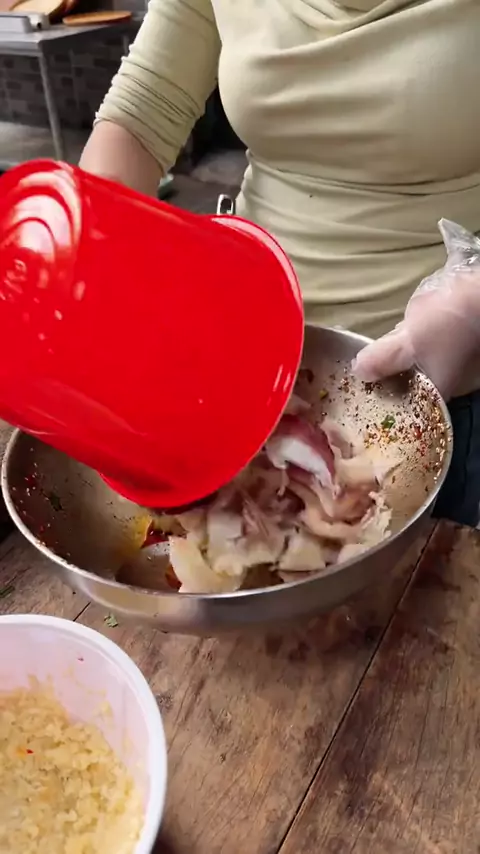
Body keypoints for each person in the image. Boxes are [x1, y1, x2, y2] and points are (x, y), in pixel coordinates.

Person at [79, 0, 480, 526]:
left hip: (440, 387)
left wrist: (470, 297)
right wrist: (95, 259)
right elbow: (140, 115)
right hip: (238, 371)